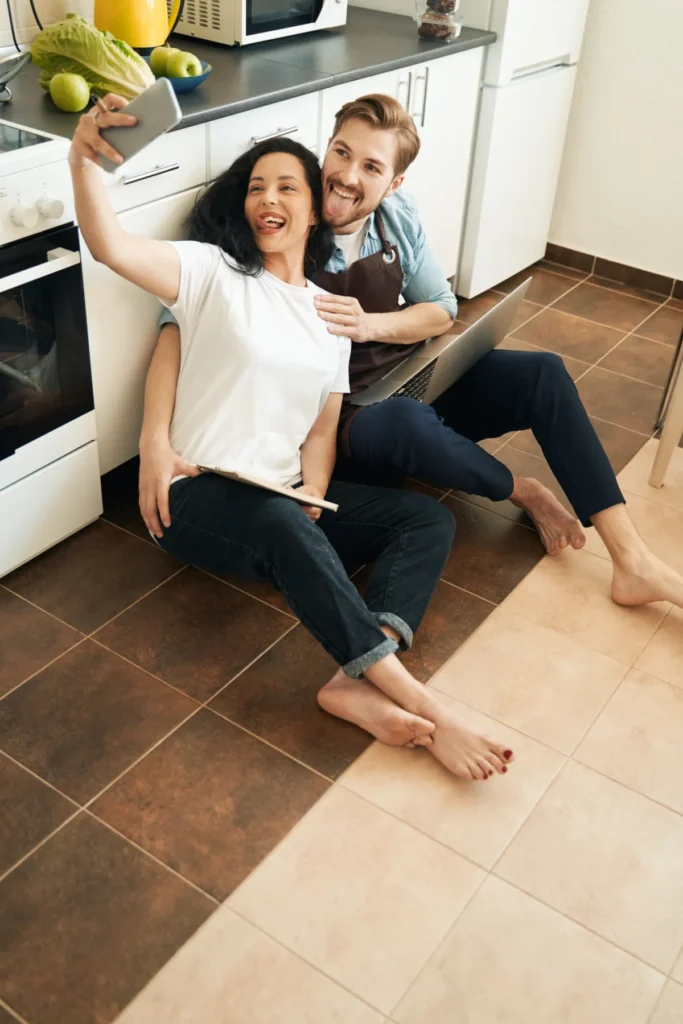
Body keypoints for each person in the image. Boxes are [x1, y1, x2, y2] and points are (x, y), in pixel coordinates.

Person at [69, 94, 515, 782]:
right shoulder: (212, 273)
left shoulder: (327, 316)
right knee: (280, 522)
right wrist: (82, 161)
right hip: (193, 495)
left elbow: (320, 429)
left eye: (286, 186)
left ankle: (354, 679)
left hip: (279, 502)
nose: (267, 198)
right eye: (255, 187)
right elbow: (110, 246)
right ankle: (419, 700)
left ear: (313, 210)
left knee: (423, 520)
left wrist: (312, 490)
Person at [147, 93, 683, 613]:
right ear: (326, 146)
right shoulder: (278, 215)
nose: (349, 177)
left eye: (372, 167)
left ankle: (630, 556)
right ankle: (519, 490)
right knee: (402, 421)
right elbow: (178, 324)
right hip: (346, 416)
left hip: (404, 375)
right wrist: (154, 440)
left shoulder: (397, 218)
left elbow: (441, 309)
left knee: (542, 373)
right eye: (342, 153)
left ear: (394, 181)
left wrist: (369, 324)